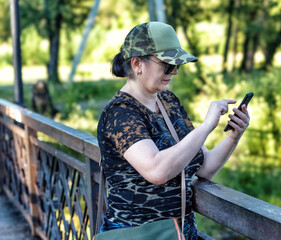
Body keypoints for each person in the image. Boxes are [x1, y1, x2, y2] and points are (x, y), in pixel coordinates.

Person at [97, 21, 250, 240]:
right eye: (167, 64)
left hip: (179, 235)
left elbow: (204, 167)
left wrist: (234, 136)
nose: (175, 71)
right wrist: (206, 126)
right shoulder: (120, 113)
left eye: (177, 64)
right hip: (138, 235)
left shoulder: (168, 102)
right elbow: (156, 171)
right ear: (137, 63)